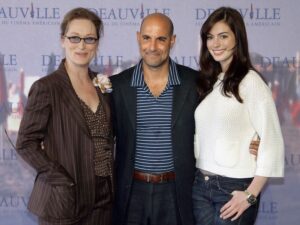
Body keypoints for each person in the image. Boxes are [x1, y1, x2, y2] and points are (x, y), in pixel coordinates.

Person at [16, 8, 114, 225]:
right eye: (74, 37)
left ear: (97, 44)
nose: (81, 45)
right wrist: (61, 180)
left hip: (104, 200)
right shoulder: (47, 87)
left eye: (89, 38)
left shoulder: (103, 85)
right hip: (65, 200)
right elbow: (25, 143)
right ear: (62, 40)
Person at [192, 7, 284, 225]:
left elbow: (272, 141)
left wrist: (250, 195)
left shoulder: (251, 82)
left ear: (237, 39)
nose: (216, 44)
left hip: (233, 189)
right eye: (210, 37)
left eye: (223, 36)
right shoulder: (210, 81)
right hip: (200, 188)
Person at [110, 13, 199, 225]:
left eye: (161, 39)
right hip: (131, 192)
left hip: (176, 192)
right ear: (138, 37)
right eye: (147, 37)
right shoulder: (118, 86)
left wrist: (251, 140)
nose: (153, 46)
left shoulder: (195, 83)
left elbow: (217, 125)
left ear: (173, 41)